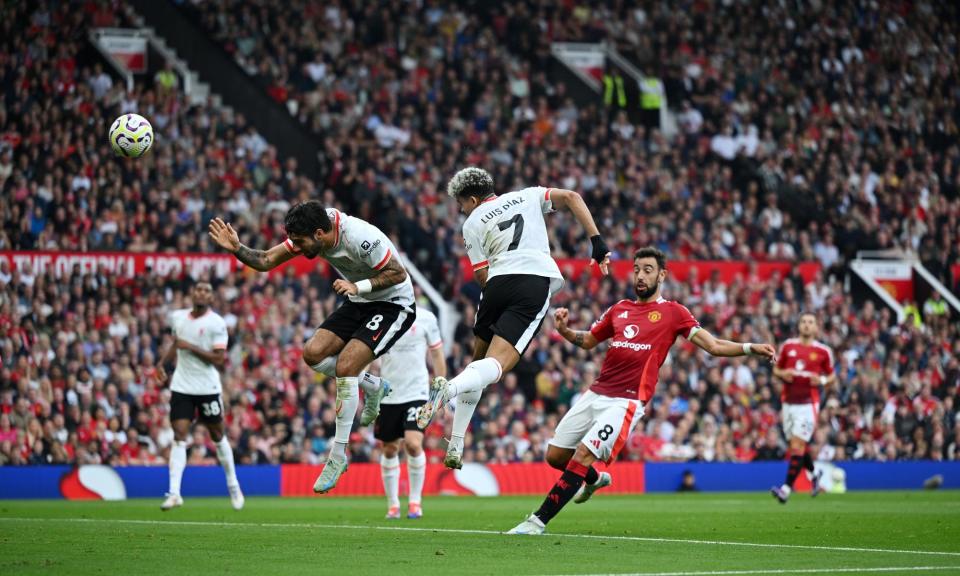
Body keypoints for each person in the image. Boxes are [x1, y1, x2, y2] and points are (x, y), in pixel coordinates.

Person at [507, 247, 776, 534]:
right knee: (555, 457)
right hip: (597, 392)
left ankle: (536, 522)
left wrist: (750, 348)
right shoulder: (619, 309)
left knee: (583, 454)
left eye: (647, 269)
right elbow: (588, 341)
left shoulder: (674, 313)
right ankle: (594, 480)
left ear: (662, 275)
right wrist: (565, 331)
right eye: (636, 269)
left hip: (627, 400)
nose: (640, 275)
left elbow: (714, 346)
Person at [208, 201, 415, 493]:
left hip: (393, 304)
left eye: (301, 242)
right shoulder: (313, 230)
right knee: (312, 354)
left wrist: (358, 287)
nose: (297, 247)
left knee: (345, 366)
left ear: (320, 233)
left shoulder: (360, 237)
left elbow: (398, 273)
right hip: (359, 301)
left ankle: (338, 455)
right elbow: (266, 261)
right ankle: (371, 385)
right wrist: (237, 248)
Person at [415, 167, 610, 470]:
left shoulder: (472, 223)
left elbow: (482, 275)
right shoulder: (528, 195)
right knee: (497, 366)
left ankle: (455, 442)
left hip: (496, 284)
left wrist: (498, 297)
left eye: (461, 203)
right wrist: (597, 242)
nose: (460, 209)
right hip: (532, 281)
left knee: (477, 366)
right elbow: (572, 197)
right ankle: (448, 390)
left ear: (474, 199)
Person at [157, 282, 243, 511]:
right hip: (182, 386)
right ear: (192, 293)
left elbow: (218, 359)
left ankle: (233, 483)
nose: (202, 293)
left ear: (212, 298)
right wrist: (162, 363)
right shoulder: (178, 317)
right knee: (179, 435)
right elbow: (176, 343)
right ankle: (174, 492)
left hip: (207, 388)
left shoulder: (216, 323)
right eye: (198, 289)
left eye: (207, 290)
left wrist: (191, 346)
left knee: (217, 435)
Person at [375, 307, 445, 519]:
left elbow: (437, 354)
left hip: (417, 391)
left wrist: (439, 391)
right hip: (388, 393)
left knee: (413, 444)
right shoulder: (381, 315)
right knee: (389, 449)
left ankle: (415, 502)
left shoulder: (426, 318)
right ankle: (393, 504)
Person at [770, 313, 835, 503]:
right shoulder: (788, 346)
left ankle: (785, 489)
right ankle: (815, 475)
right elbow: (776, 369)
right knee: (796, 446)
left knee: (797, 445)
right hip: (788, 403)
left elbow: (832, 376)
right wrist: (783, 374)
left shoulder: (823, 352)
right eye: (804, 322)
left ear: (816, 328)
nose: (807, 325)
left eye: (811, 322)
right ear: (799, 326)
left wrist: (822, 380)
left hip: (808, 404)